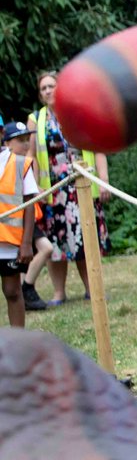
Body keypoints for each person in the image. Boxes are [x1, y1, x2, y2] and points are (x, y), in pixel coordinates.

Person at [27, 70, 111, 305]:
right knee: (55, 242)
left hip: (81, 184)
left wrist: (103, 179)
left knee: (85, 239)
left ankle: (92, 288)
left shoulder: (78, 111)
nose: (47, 91)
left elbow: (97, 147)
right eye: (43, 88)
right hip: (52, 191)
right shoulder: (36, 119)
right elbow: (32, 155)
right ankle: (59, 293)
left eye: (51, 86)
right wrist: (34, 189)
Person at [0, 122, 40, 327]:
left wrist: (26, 243)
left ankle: (18, 342)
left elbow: (30, 204)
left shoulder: (18, 163)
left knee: (12, 291)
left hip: (9, 243)